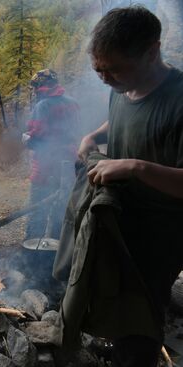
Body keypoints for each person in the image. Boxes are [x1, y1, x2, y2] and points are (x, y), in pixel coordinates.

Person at [72, 6, 183, 366]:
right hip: (119, 223)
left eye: (114, 69)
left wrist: (135, 167)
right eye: (98, 69)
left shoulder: (179, 100)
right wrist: (94, 134)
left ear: (152, 51)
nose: (105, 78)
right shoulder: (123, 86)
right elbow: (122, 113)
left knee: (143, 316)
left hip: (159, 238)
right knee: (115, 299)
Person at [23, 69, 80, 240]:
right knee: (61, 211)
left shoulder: (43, 105)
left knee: (38, 211)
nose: (34, 91)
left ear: (41, 86)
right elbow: (77, 130)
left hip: (46, 166)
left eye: (35, 87)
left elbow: (37, 135)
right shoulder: (72, 103)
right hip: (69, 164)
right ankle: (57, 254)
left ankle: (32, 256)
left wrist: (27, 140)